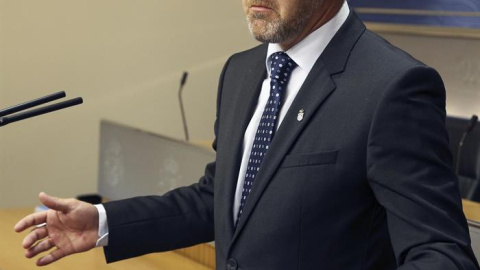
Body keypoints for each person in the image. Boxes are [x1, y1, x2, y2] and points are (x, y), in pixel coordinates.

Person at [14, 0, 480, 269]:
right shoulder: (242, 72)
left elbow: (441, 254)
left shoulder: (392, 86)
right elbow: (219, 200)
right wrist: (105, 222)